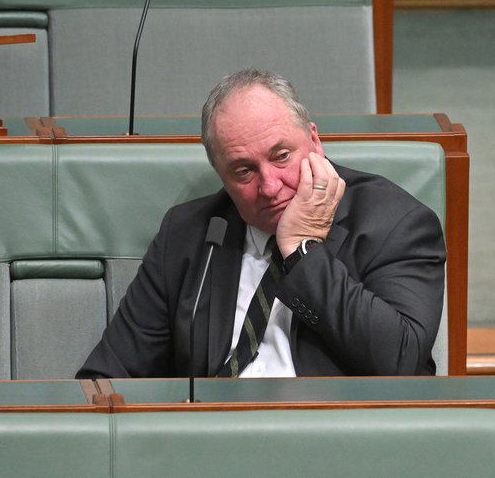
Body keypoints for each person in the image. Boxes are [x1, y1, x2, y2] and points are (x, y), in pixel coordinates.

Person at [76, 68, 445, 379]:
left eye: (281, 156)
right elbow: (107, 375)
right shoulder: (190, 234)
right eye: (243, 171)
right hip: (213, 433)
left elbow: (401, 362)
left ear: (314, 141)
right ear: (221, 174)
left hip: (336, 431)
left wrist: (302, 250)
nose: (269, 186)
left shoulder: (395, 222)